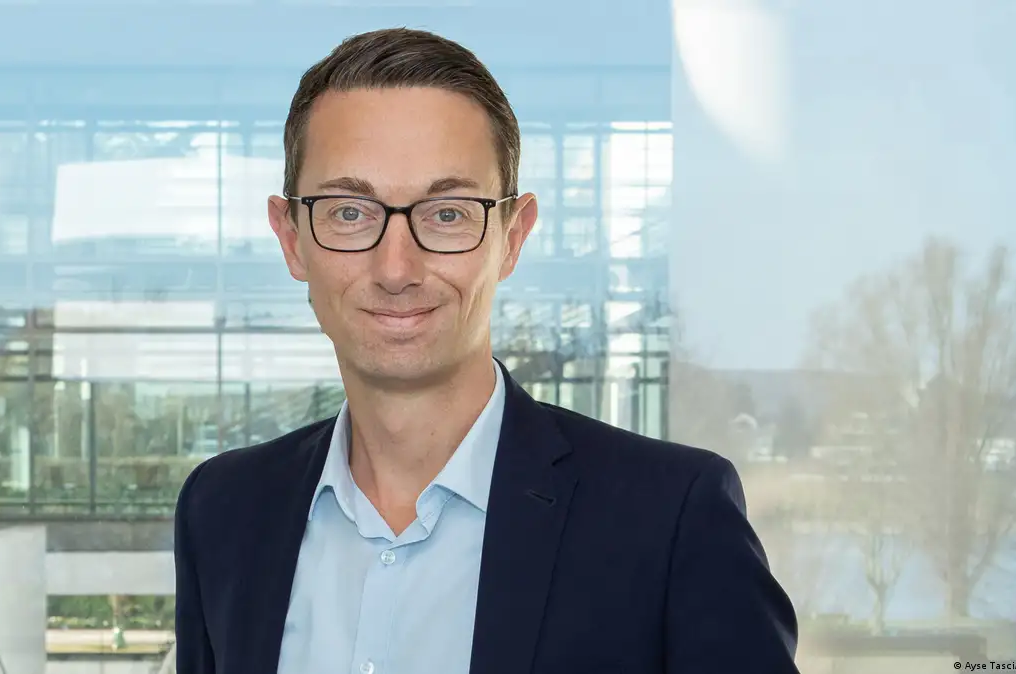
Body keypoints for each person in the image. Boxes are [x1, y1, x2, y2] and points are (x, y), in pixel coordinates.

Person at [174, 27, 800, 674]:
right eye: (350, 212)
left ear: (513, 236)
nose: (396, 268)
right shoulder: (222, 511)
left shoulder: (670, 517)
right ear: (290, 239)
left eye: (447, 214)